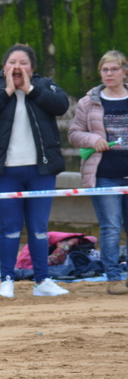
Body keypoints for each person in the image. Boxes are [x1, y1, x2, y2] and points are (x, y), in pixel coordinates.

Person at [0, 43, 71, 298]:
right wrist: (7, 92)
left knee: (39, 228)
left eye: (23, 63)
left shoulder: (44, 86)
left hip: (41, 171)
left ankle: (42, 280)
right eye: (12, 62)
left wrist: (30, 90)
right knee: (9, 228)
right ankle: (7, 279)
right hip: (3, 172)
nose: (17, 67)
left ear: (32, 68)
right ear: (4, 67)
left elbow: (61, 105)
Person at [68, 50, 128, 295]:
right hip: (104, 175)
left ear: (125, 72)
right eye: (105, 70)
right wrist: (93, 140)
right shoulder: (88, 102)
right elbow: (73, 134)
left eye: (114, 69)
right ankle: (113, 277)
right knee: (111, 227)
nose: (109, 74)